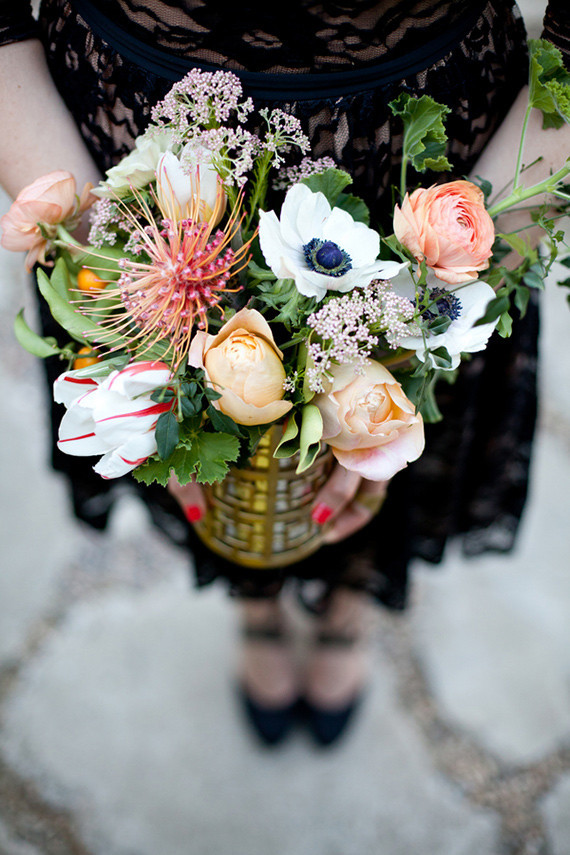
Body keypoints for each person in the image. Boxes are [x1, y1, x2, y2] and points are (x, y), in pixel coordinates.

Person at [0, 0, 568, 746]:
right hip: (134, 157)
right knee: (210, 463)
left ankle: (348, 603)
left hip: (427, 167)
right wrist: (120, 276)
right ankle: (254, 593)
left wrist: (407, 325)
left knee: (381, 447)